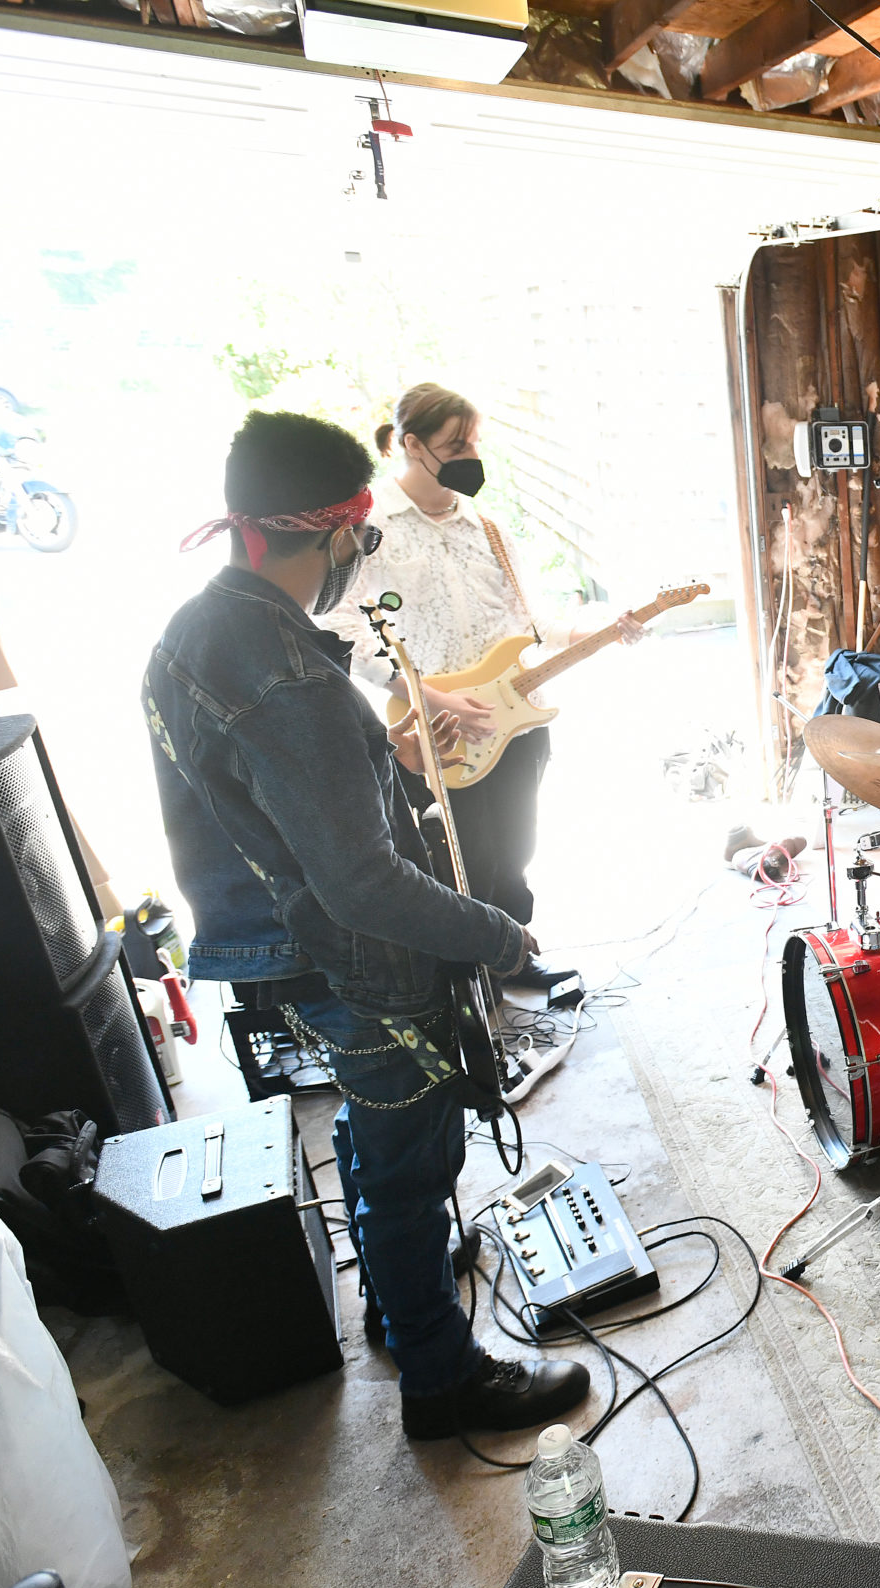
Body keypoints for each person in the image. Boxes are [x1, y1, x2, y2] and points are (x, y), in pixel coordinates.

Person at [146, 410, 589, 1441]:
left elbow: (276, 800)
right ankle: (443, 1381)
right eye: (364, 533)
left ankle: (400, 1307)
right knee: (406, 1165)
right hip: (345, 957)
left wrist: (379, 754)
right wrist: (496, 934)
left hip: (277, 946)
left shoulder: (208, 626)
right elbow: (359, 883)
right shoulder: (287, 674)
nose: (363, 549)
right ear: (339, 528)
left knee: (364, 1123)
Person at [321, 382, 644, 990]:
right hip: (434, 730)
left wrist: (601, 627)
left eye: (473, 440)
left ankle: (513, 956)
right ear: (411, 444)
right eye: (455, 443)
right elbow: (339, 628)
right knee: (459, 861)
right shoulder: (372, 525)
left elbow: (529, 622)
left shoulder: (488, 525)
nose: (470, 453)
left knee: (516, 851)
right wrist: (435, 697)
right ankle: (466, 982)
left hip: (516, 720)